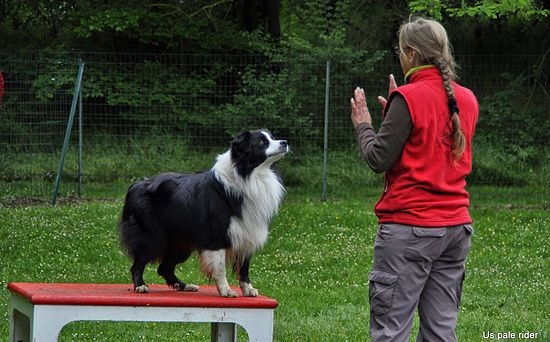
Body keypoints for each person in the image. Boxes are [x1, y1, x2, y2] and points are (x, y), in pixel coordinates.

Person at [350, 17, 478, 341]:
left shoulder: (408, 98)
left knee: (391, 330)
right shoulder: (467, 99)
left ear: (410, 52)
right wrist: (395, 113)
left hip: (411, 228)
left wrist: (363, 125)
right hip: (456, 230)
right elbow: (433, 152)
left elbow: (378, 158)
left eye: (400, 50)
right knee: (441, 331)